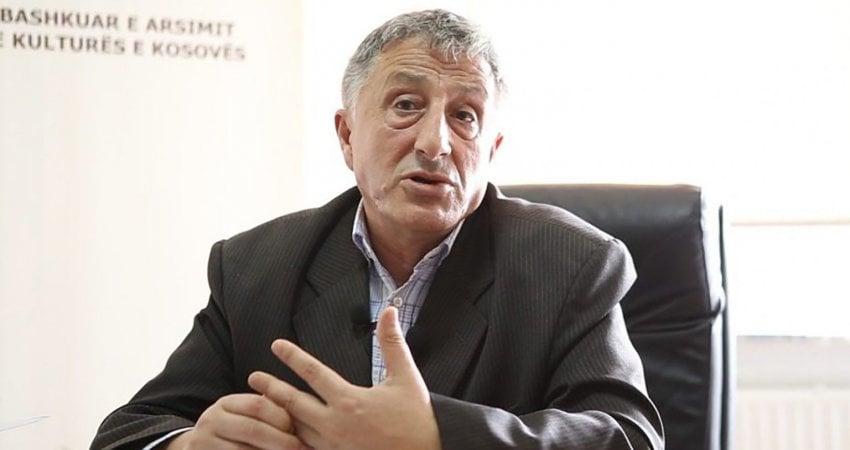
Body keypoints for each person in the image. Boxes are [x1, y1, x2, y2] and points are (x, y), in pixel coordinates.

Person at [91, 9, 664, 450]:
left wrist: (438, 435)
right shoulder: (255, 265)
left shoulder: (571, 264)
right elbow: (129, 431)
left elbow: (630, 437)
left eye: (464, 116)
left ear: (492, 149)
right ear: (346, 135)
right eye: (406, 105)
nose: (435, 143)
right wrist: (188, 444)